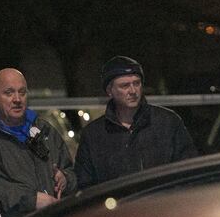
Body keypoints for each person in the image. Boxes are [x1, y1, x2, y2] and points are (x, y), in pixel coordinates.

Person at [0, 68, 77, 217]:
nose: (17, 99)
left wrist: (65, 179)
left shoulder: (44, 130)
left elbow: (73, 174)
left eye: (22, 92)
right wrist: (32, 200)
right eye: (9, 93)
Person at [74, 56, 197, 188]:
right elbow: (85, 184)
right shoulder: (94, 134)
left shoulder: (168, 122)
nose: (133, 91)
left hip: (163, 204)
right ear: (110, 91)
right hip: (116, 206)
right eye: (124, 85)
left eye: (137, 83)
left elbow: (188, 170)